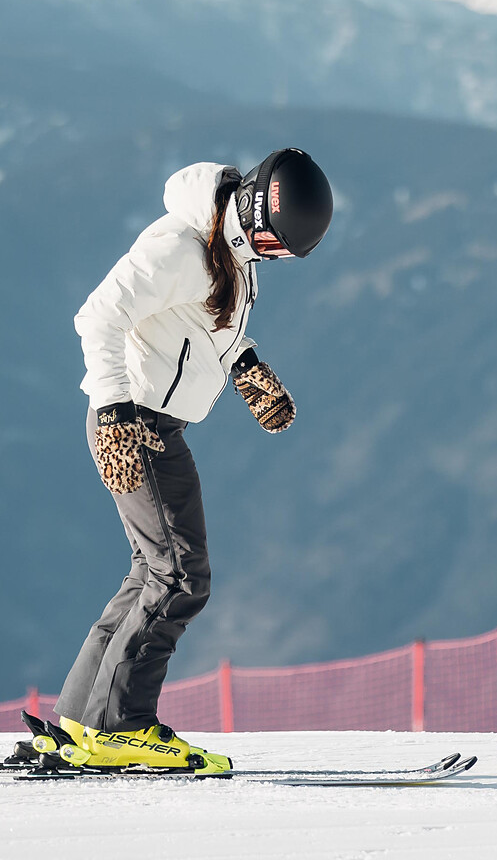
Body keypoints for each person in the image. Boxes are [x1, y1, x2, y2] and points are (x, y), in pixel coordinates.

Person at [44, 149, 332, 773]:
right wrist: (115, 411)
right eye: (277, 244)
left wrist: (247, 367)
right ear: (256, 212)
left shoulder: (233, 247)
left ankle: (80, 721)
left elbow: (207, 329)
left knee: (151, 571)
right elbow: (97, 315)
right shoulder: (180, 244)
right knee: (180, 576)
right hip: (134, 425)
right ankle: (121, 726)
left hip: (154, 421)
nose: (276, 257)